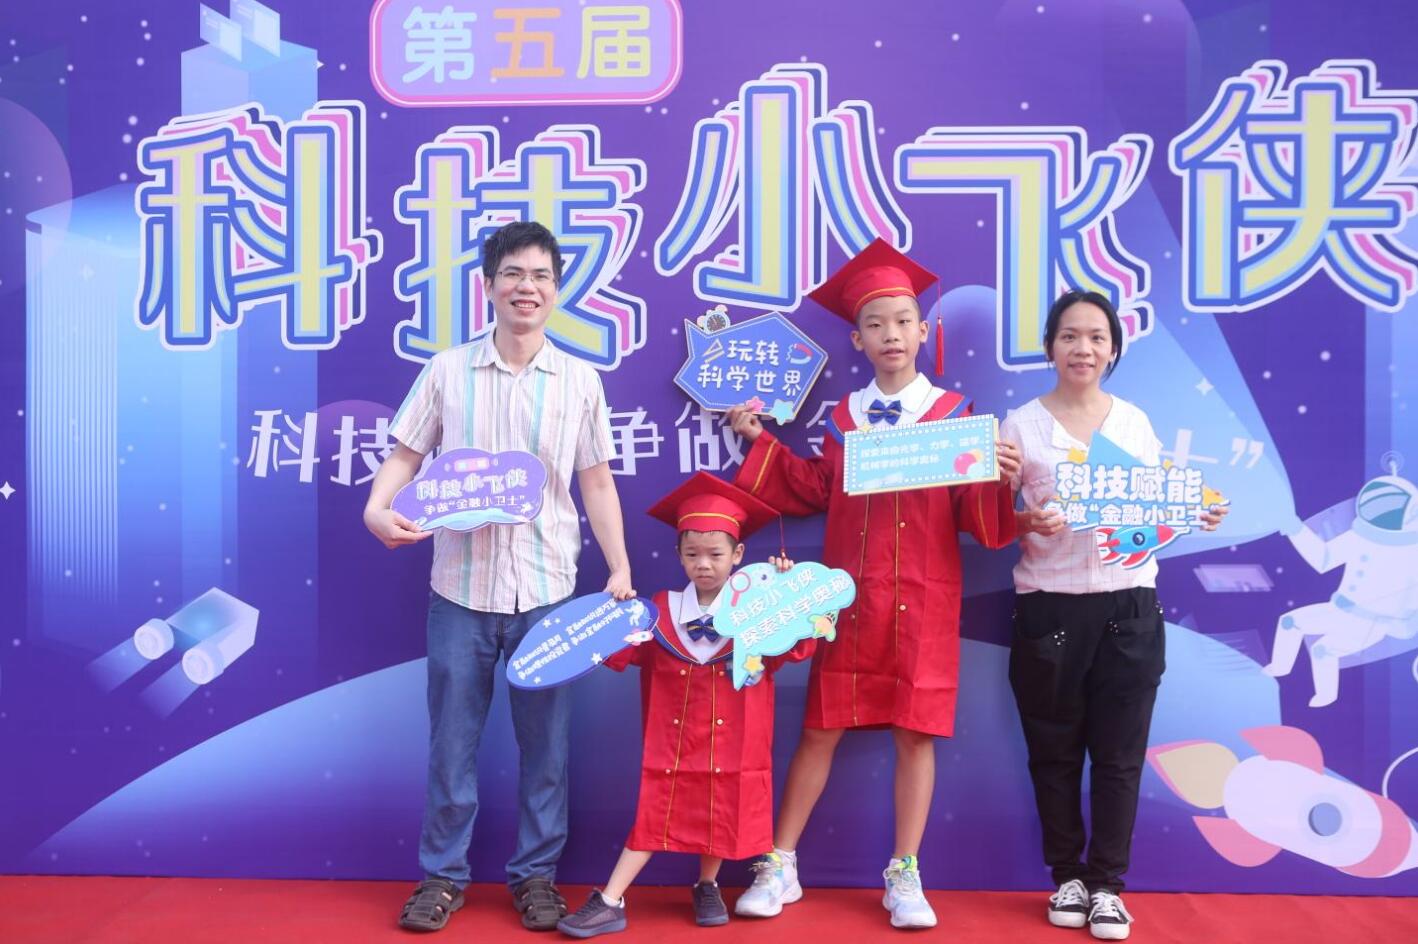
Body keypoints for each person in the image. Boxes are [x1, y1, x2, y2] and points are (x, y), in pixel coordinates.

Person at [724, 239, 1022, 930]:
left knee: (916, 735)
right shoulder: (844, 421)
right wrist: (759, 442)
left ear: (924, 332)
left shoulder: (955, 415)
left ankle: (905, 873)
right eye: (876, 324)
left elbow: (975, 517)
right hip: (849, 602)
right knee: (820, 730)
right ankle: (781, 863)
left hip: (925, 599)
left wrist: (997, 477)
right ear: (857, 339)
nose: (891, 334)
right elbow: (814, 489)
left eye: (903, 321)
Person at [363, 221, 635, 933]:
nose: (527, 287)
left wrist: (619, 566)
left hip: (547, 593)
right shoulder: (448, 371)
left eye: (541, 275)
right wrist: (376, 506)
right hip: (460, 591)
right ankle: (441, 877)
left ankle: (536, 877)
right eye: (513, 273)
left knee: (547, 749)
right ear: (488, 285)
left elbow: (596, 480)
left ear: (557, 290)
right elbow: (405, 453)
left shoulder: (579, 380)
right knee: (451, 744)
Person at [1000, 289, 1226, 941]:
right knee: (1053, 753)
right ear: (1050, 347)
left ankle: (1106, 886)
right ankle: (1067, 876)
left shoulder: (1133, 423)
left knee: (1120, 755)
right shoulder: (1018, 427)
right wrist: (1021, 518)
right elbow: (986, 521)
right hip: (1050, 607)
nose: (1083, 348)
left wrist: (1192, 512)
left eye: (1097, 337)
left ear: (1114, 350)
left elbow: (1149, 515)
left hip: (1130, 607)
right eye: (1070, 336)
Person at [557, 472, 814, 938]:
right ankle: (611, 900)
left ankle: (707, 884)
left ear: (738, 555)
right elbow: (619, 653)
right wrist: (616, 612)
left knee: (720, 805)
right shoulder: (661, 609)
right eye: (692, 554)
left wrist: (787, 593)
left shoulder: (760, 610)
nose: (703, 564)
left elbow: (794, 648)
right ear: (678, 555)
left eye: (715, 554)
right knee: (654, 816)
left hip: (734, 740)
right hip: (673, 742)